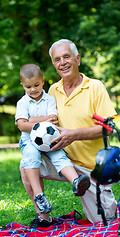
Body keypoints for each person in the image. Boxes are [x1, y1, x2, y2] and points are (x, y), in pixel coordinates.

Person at [20, 39, 117, 227]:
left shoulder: (95, 87)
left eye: (67, 57)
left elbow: (109, 129)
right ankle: (43, 216)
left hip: (91, 170)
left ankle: (96, 197)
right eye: (57, 59)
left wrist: (73, 135)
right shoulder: (52, 91)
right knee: (26, 165)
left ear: (77, 59)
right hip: (62, 161)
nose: (62, 62)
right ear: (54, 65)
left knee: (104, 221)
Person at [15, 63, 91, 227]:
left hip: (49, 138)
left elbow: (53, 119)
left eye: (36, 85)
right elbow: (21, 125)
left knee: (59, 155)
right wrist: (40, 120)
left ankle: (76, 182)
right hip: (29, 141)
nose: (33, 90)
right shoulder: (22, 103)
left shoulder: (49, 99)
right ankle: (39, 195)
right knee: (31, 157)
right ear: (22, 85)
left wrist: (30, 120)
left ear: (43, 81)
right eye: (28, 87)